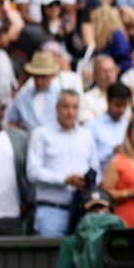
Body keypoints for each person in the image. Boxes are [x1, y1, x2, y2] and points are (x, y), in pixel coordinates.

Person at [27, 90, 100, 237]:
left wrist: (87, 181)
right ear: (57, 108)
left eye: (74, 107)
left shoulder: (86, 136)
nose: (70, 112)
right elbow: (32, 172)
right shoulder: (41, 134)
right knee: (50, 258)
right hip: (52, 211)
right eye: (66, 107)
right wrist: (65, 179)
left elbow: (97, 172)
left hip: (82, 210)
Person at [0, 97, 33, 235]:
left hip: (11, 214)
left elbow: (30, 173)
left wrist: (28, 201)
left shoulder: (19, 138)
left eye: (0, 107)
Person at [78, 54, 134, 124]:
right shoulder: (86, 99)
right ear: (94, 75)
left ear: (117, 72)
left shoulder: (132, 95)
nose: (109, 75)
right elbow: (86, 126)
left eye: (111, 70)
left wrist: (132, 103)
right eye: (104, 71)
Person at [83, 82, 132, 171]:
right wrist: (111, 152)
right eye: (118, 105)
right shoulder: (92, 126)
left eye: (125, 105)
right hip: (101, 178)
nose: (122, 110)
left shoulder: (128, 127)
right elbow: (84, 158)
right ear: (108, 100)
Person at [7, 51, 61, 132]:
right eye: (36, 76)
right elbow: (12, 123)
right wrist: (23, 136)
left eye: (43, 77)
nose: (39, 81)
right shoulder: (22, 97)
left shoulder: (60, 96)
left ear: (51, 76)